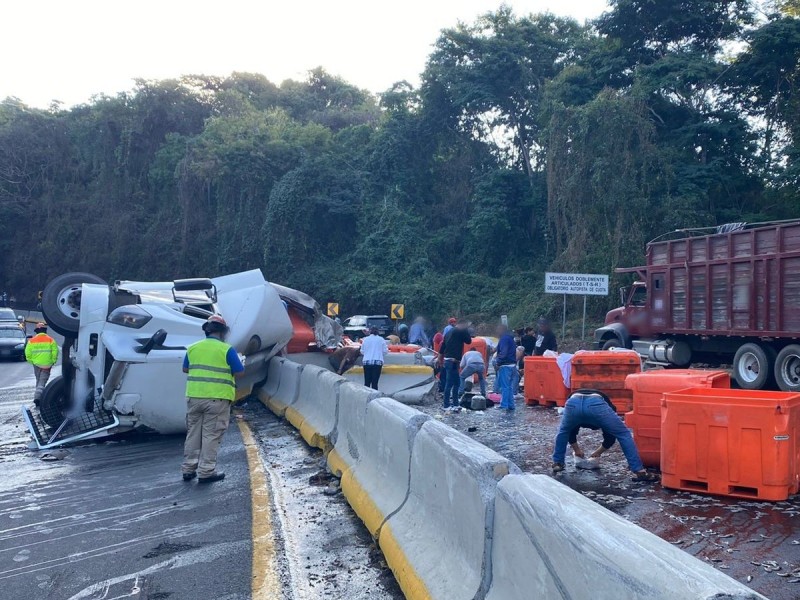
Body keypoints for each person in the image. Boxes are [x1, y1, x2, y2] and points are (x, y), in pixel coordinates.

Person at [181, 315, 245, 484]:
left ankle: (188, 468)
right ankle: (206, 471)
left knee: (193, 433)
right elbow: (239, 372)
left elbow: (185, 368)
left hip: (194, 397)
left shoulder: (192, 348)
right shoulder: (226, 349)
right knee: (211, 435)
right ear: (223, 331)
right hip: (217, 399)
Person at [552, 390, 659, 482]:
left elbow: (569, 432)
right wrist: (599, 452)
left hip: (573, 402)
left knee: (563, 431)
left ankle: (557, 463)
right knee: (623, 433)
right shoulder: (607, 408)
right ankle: (639, 472)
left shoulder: (576, 417)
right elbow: (611, 436)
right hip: (596, 403)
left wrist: (579, 450)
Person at [440, 319, 472, 411]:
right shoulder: (461, 331)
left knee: (456, 383)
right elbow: (468, 341)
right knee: (450, 383)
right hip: (452, 360)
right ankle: (446, 405)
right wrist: (466, 330)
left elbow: (443, 347)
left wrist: (439, 358)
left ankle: (455, 404)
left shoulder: (449, 332)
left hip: (449, 360)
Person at [25, 323, 58, 404]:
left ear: (37, 331)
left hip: (36, 364)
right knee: (42, 381)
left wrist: (31, 361)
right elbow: (55, 352)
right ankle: (38, 398)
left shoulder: (31, 341)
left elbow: (27, 353)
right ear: (45, 331)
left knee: (39, 380)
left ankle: (38, 397)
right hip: (47, 364)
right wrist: (53, 361)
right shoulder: (51, 340)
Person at [494, 324, 519, 410]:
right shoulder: (510, 339)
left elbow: (504, 352)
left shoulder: (504, 339)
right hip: (512, 365)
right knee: (509, 386)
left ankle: (504, 405)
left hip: (505, 365)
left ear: (502, 330)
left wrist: (498, 362)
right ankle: (511, 405)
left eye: (498, 329)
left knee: (504, 386)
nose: (497, 331)